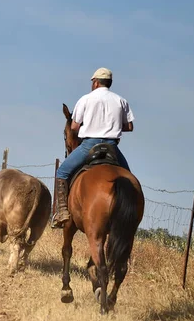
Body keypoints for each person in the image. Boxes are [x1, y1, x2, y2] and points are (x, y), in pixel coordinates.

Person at [51, 67, 135, 228]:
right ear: (109, 83)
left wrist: (90, 125)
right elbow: (129, 127)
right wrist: (113, 126)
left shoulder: (85, 99)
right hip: (111, 146)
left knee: (62, 172)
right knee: (129, 181)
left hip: (89, 144)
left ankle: (62, 212)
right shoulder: (121, 101)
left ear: (96, 83)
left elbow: (74, 127)